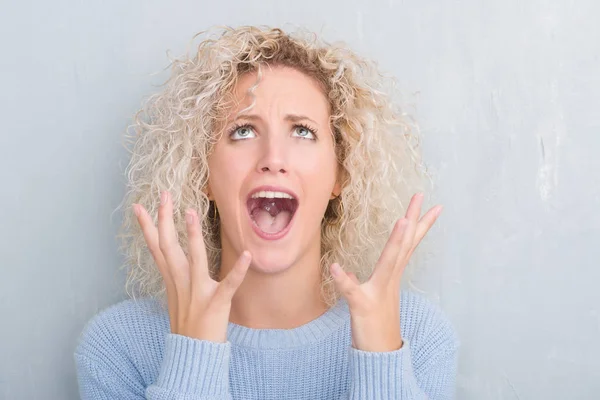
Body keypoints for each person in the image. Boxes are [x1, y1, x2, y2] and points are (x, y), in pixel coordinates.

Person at [74, 25, 460, 399]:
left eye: (303, 131)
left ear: (341, 174)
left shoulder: (414, 335)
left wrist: (381, 365)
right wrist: (194, 352)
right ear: (202, 173)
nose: (273, 159)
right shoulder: (119, 346)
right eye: (243, 130)